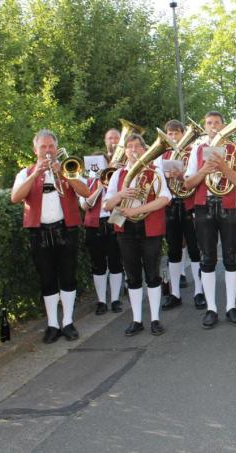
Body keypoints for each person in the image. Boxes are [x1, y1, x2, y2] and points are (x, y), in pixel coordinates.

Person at [11, 129, 91, 343]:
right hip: (39, 232)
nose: (48, 150)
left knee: (67, 276)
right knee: (47, 278)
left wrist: (64, 173)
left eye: (51, 146)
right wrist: (36, 174)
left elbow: (85, 192)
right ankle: (53, 324)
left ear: (57, 148)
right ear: (35, 150)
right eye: (43, 147)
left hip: (67, 230)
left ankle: (68, 321)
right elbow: (15, 197)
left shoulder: (69, 168)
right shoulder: (26, 172)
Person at [103, 133, 171, 336]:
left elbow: (165, 198)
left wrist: (136, 210)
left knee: (152, 274)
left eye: (137, 147)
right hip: (126, 230)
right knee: (132, 276)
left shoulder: (155, 171)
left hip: (150, 228)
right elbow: (107, 204)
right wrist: (120, 195)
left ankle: (156, 319)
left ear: (144, 149)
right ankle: (137, 320)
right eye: (129, 147)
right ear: (124, 151)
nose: (133, 150)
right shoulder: (117, 175)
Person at [183, 111, 236, 328]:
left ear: (224, 125)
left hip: (229, 206)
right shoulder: (197, 150)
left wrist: (224, 168)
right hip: (204, 207)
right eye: (209, 123)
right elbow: (189, 184)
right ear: (205, 127)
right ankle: (211, 308)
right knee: (207, 258)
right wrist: (204, 170)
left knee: (231, 257)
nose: (213, 126)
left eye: (217, 123)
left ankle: (231, 306)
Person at [152, 120, 206, 312]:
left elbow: (197, 176)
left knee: (194, 249)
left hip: (189, 204)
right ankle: (175, 293)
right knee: (174, 251)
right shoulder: (162, 154)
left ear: (184, 133)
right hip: (171, 205)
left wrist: (182, 174)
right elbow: (155, 177)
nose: (173, 137)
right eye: (170, 134)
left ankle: (199, 291)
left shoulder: (194, 151)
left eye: (176, 133)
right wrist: (165, 176)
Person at [80, 134, 124, 315]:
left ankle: (114, 299)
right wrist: (99, 186)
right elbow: (85, 205)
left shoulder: (116, 179)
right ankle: (101, 301)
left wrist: (112, 180)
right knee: (98, 264)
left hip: (113, 221)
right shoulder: (85, 181)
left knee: (115, 262)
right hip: (94, 225)